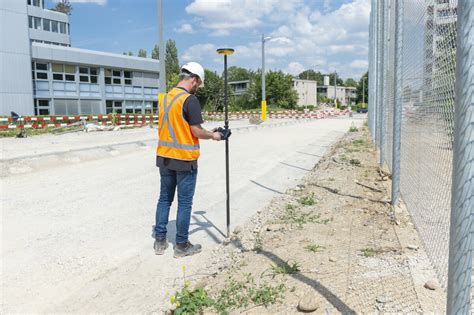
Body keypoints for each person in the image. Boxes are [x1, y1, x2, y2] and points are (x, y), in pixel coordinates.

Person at [153, 62, 225, 258]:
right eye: (197, 84)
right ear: (193, 78)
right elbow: (196, 131)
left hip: (164, 156)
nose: (196, 87)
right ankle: (182, 245)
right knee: (184, 203)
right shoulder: (189, 100)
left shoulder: (166, 98)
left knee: (164, 199)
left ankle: (160, 241)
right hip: (184, 159)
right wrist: (214, 135)